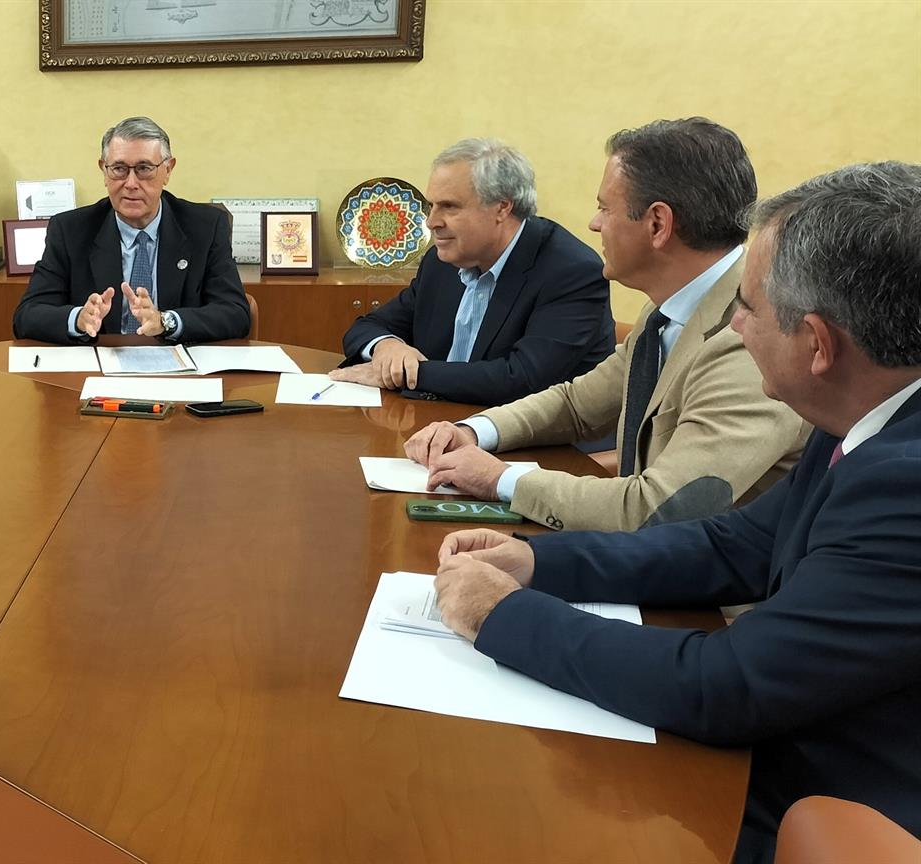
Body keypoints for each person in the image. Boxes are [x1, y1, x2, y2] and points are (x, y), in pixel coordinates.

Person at [431, 161, 921, 864]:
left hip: (840, 803)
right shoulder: (866, 409)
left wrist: (500, 615)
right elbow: (736, 547)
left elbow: (729, 685)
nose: (734, 326)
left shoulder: (906, 482)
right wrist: (537, 561)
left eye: (746, 307)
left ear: (818, 344)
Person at [405, 118, 807, 531]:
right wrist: (475, 431)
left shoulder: (751, 338)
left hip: (708, 588)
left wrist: (501, 479)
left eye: (604, 208)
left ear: (657, 224)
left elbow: (655, 508)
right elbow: (578, 403)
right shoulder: (667, 309)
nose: (594, 224)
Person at [333, 139, 614, 404]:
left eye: (449, 207)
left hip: (543, 446)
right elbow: (365, 326)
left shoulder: (571, 271)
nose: (431, 222)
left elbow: (523, 380)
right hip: (442, 427)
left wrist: (410, 373)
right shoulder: (441, 261)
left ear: (502, 207)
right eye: (432, 206)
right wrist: (387, 348)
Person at [11, 116, 250, 344]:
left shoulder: (205, 227)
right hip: (99, 367)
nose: (131, 183)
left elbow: (236, 314)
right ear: (104, 170)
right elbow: (27, 316)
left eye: (144, 168)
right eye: (119, 169)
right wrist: (78, 319)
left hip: (180, 369)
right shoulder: (70, 230)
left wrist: (166, 321)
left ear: (168, 170)